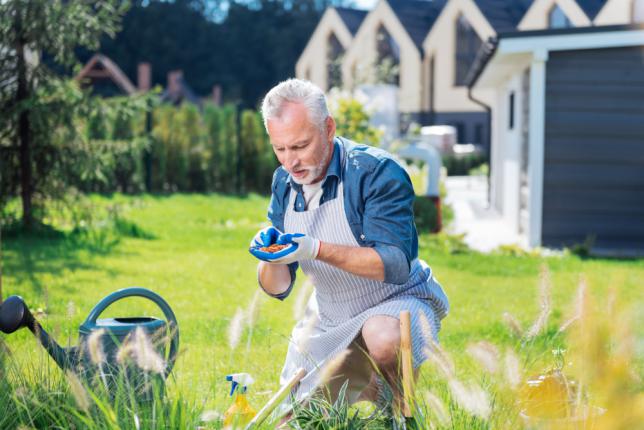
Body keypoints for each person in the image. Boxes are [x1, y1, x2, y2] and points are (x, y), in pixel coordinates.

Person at [249, 78, 449, 416]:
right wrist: (269, 258)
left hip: (398, 300)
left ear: (328, 128)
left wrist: (314, 248)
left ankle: (399, 411)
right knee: (296, 421)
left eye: (300, 146)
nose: (289, 162)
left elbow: (395, 264)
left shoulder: (375, 172)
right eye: (279, 149)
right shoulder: (284, 182)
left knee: (382, 337)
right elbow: (278, 288)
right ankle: (366, 385)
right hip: (329, 317)